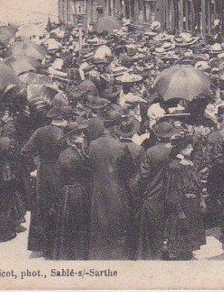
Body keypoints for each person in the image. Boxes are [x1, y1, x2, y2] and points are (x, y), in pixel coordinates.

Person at [87, 110, 138, 260]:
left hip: (97, 191)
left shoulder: (92, 145)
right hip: (116, 190)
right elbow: (130, 172)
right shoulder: (120, 147)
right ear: (115, 127)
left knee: (100, 224)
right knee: (117, 225)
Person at [21, 104, 70, 254]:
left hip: (43, 171)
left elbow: (25, 151)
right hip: (59, 171)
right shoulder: (65, 134)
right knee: (59, 204)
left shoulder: (40, 131)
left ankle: (41, 245)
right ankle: (57, 245)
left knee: (42, 206)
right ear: (63, 119)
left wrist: (37, 162)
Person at [135, 118, 176, 259]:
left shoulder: (151, 152)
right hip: (173, 192)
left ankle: (156, 252)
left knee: (154, 225)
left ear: (157, 136)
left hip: (154, 194)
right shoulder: (175, 151)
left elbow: (144, 175)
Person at [162, 129, 206, 260]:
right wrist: (179, 209)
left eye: (191, 146)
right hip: (181, 203)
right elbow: (173, 190)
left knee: (189, 230)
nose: (191, 149)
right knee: (180, 228)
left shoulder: (189, 163)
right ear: (180, 148)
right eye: (187, 146)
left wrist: (201, 200)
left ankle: (187, 253)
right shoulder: (175, 166)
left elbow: (197, 185)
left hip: (192, 203)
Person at [53, 121, 93, 260]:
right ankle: (76, 254)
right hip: (76, 192)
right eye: (79, 134)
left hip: (69, 192)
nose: (83, 136)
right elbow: (85, 171)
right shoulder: (72, 155)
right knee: (76, 224)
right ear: (72, 138)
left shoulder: (69, 152)